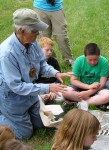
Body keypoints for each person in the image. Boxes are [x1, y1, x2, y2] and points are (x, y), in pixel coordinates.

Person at [0, 8, 72, 140]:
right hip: (12, 97)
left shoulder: (32, 43)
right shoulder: (7, 53)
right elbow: (16, 87)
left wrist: (55, 74)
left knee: (41, 124)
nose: (38, 33)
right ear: (22, 31)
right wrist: (48, 87)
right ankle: (4, 114)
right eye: (35, 31)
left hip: (30, 91)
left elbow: (42, 64)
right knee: (24, 134)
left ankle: (21, 115)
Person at [62, 43, 109, 107]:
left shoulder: (104, 62)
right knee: (65, 91)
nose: (92, 62)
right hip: (82, 87)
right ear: (85, 56)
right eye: (90, 60)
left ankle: (83, 102)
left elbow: (102, 84)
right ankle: (94, 101)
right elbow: (73, 80)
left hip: (98, 89)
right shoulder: (79, 60)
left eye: (95, 60)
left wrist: (88, 93)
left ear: (99, 56)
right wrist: (88, 87)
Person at [33, 0, 74, 66]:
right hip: (40, 7)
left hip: (56, 8)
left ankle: (68, 59)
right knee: (45, 37)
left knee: (62, 37)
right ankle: (52, 60)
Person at [36, 37, 64, 102]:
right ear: (40, 50)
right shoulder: (36, 62)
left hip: (53, 85)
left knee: (62, 97)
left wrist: (54, 91)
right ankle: (44, 97)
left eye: (51, 50)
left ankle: (50, 96)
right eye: (47, 50)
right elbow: (34, 81)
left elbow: (59, 79)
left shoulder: (54, 61)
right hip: (40, 86)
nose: (49, 52)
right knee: (36, 99)